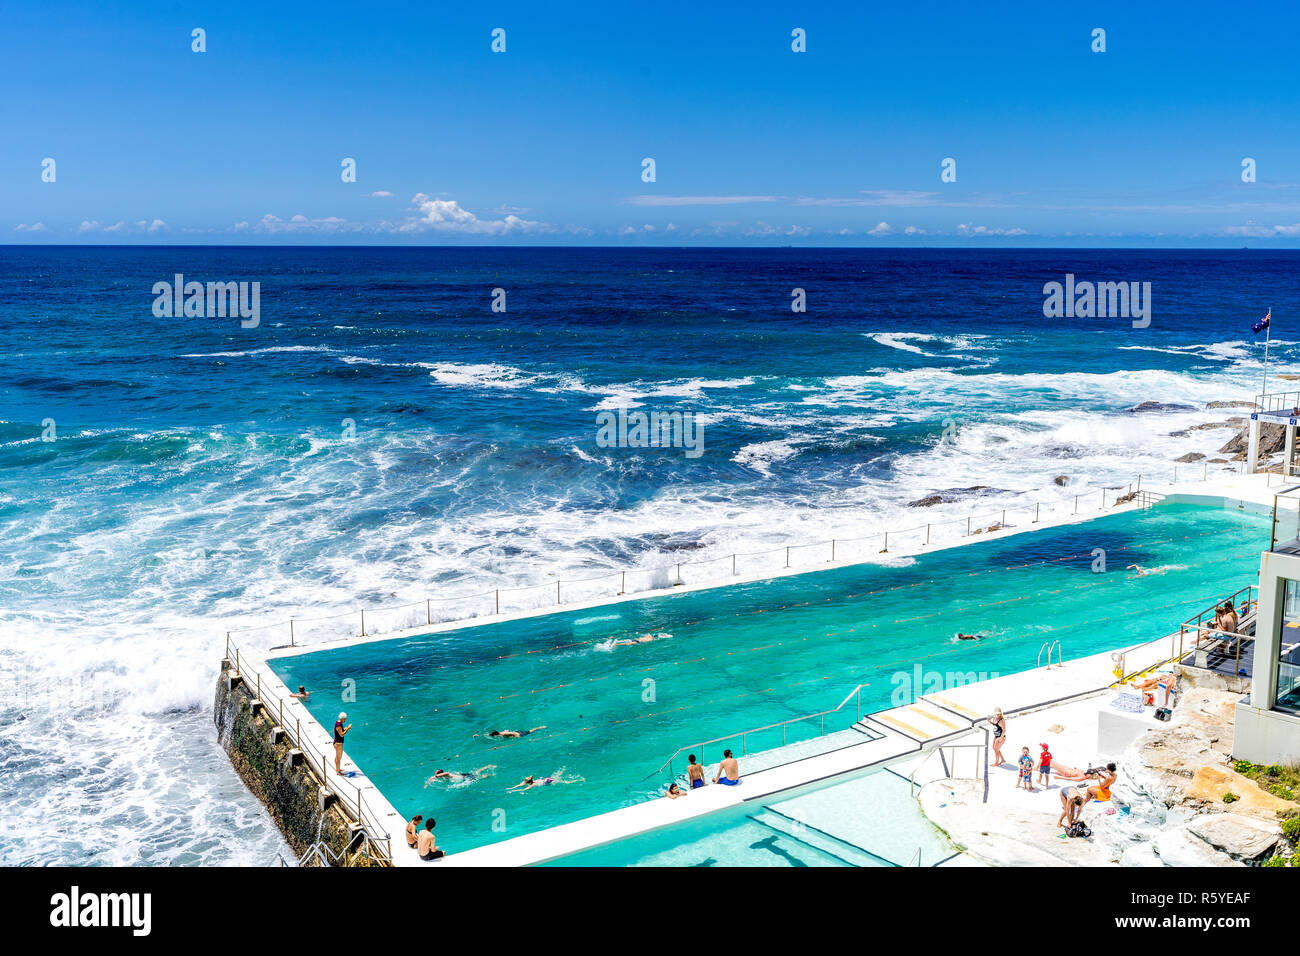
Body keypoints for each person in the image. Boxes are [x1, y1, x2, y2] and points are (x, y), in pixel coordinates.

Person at [426, 766, 494, 786]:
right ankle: (486, 767)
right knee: (476, 773)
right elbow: (432, 779)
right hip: (462, 775)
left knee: (479, 778)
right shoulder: (443, 777)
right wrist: (428, 783)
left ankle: (489, 774)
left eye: (436, 774)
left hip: (464, 777)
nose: (435, 775)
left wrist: (435, 777)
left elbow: (446, 773)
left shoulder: (446, 774)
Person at [480, 726, 546, 739]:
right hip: (517, 732)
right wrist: (479, 735)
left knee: (531, 731)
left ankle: (539, 728)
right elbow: (507, 731)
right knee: (530, 731)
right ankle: (539, 728)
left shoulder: (503, 734)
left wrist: (518, 736)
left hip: (519, 734)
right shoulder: (500, 733)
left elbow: (509, 733)